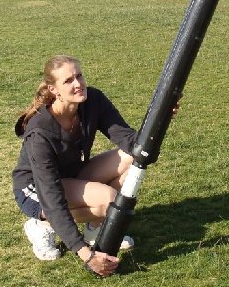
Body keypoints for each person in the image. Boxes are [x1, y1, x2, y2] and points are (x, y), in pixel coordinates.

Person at [12, 54, 180, 277]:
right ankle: (42, 225)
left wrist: (162, 119)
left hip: (71, 175)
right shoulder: (40, 133)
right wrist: (86, 255)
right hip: (36, 189)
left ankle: (95, 227)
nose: (78, 84)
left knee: (133, 158)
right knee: (110, 200)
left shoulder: (94, 100)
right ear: (54, 90)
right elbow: (52, 198)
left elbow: (131, 141)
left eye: (79, 76)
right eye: (68, 80)